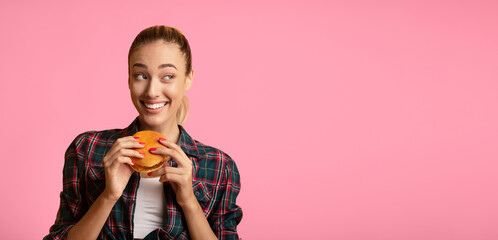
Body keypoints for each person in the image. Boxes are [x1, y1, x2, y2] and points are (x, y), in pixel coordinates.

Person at [44, 25, 243, 240]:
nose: (152, 91)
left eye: (167, 76)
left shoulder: (219, 166)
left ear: (188, 78)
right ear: (129, 79)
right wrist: (109, 195)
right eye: (141, 75)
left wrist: (189, 202)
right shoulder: (87, 149)